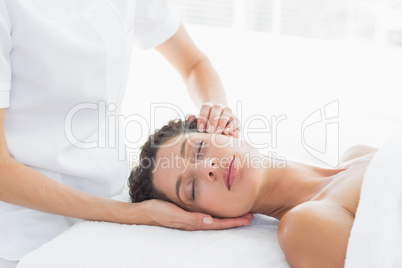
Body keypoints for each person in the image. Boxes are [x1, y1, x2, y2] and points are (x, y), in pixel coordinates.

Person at [0, 0, 251, 265]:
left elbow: (194, 64)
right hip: (31, 228)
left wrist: (217, 117)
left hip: (113, 208)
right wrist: (135, 215)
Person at [129, 118, 377, 268]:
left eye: (199, 148)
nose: (208, 169)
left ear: (225, 131)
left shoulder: (357, 154)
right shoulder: (303, 226)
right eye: (192, 188)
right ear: (206, 218)